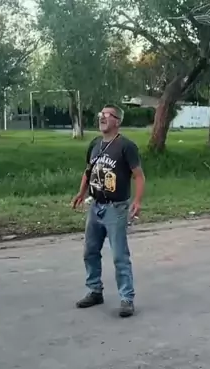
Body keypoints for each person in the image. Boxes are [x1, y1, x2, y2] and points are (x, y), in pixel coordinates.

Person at [72, 104, 145, 318]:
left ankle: (127, 298)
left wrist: (137, 200)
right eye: (101, 114)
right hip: (95, 206)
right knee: (90, 251)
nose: (102, 117)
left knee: (119, 255)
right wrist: (81, 192)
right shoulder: (95, 144)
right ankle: (95, 291)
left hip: (116, 208)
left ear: (117, 121)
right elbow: (88, 171)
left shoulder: (126, 146)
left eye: (107, 115)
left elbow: (138, 175)